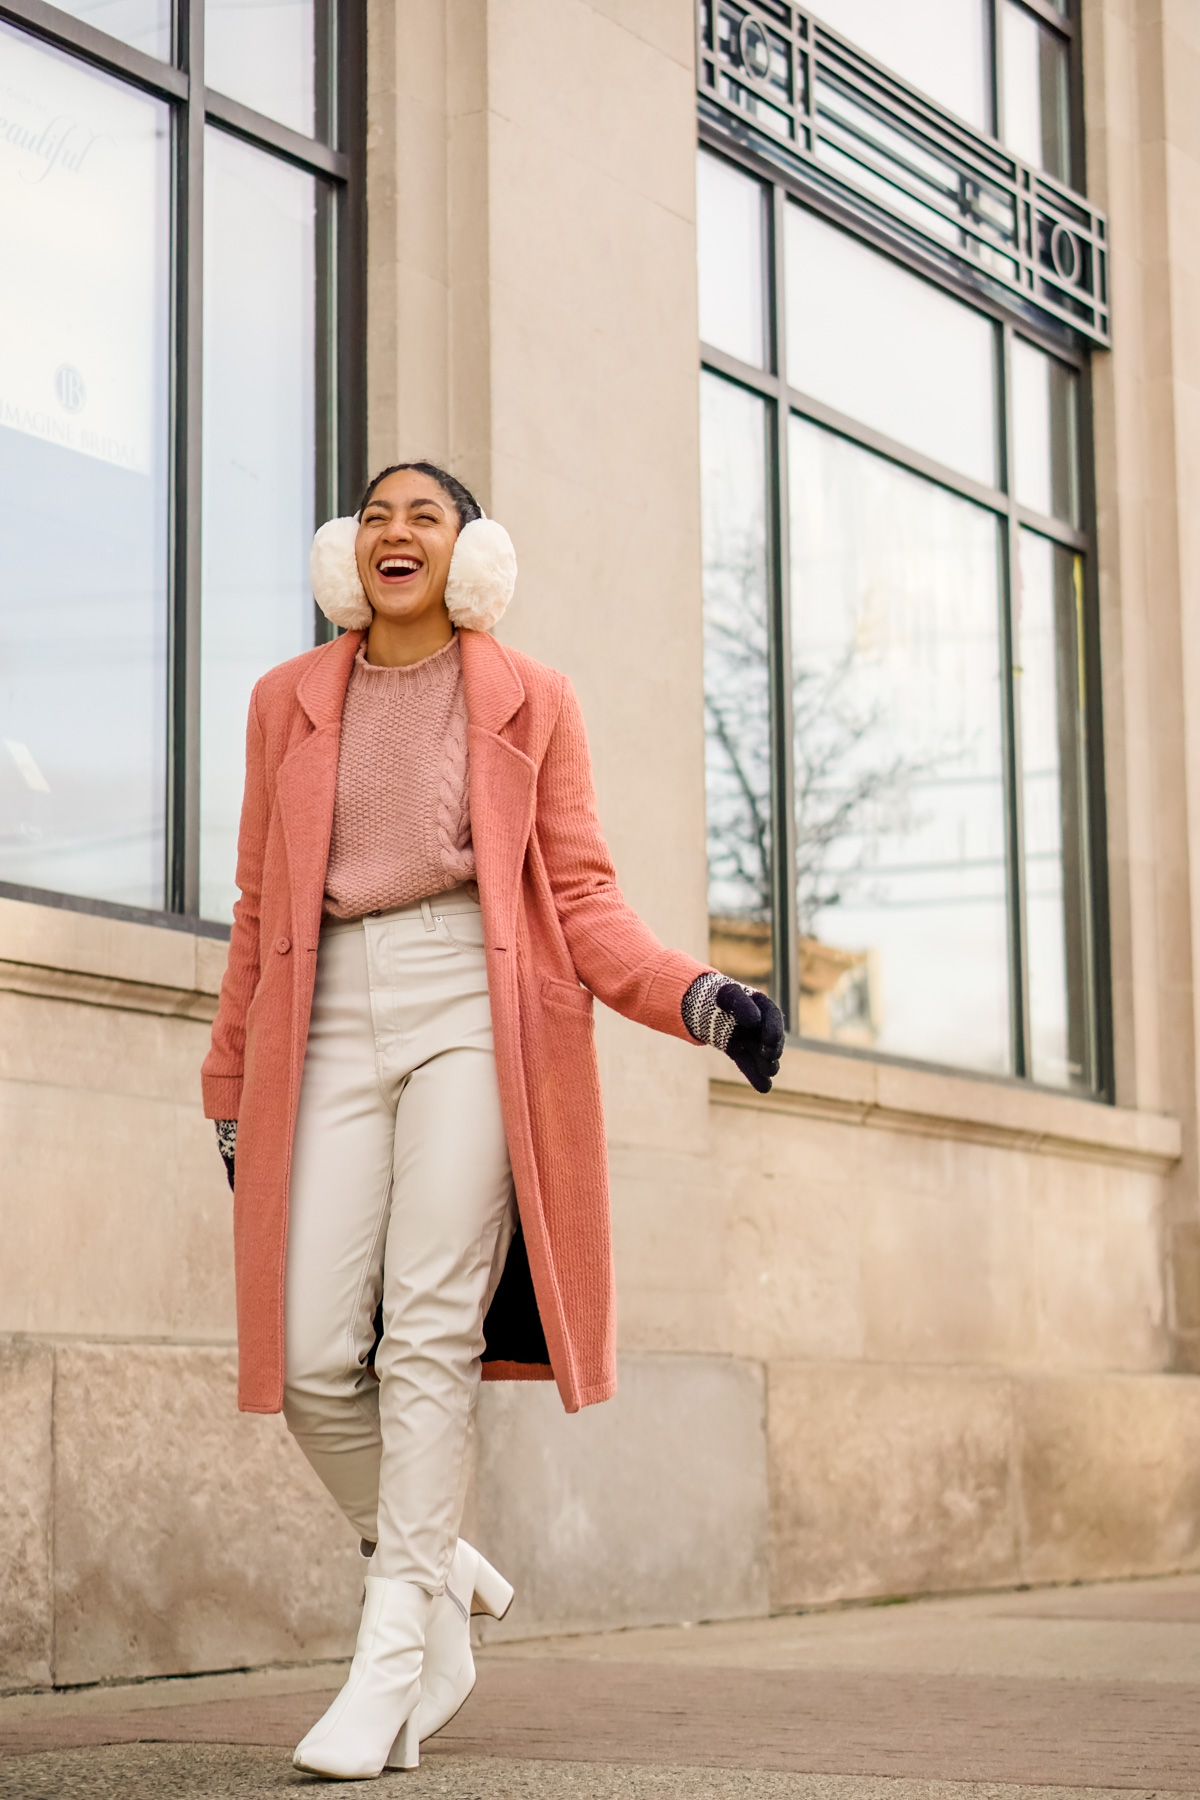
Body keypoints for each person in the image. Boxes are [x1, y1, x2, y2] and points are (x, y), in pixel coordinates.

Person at [201, 461, 784, 1779]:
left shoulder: (535, 701)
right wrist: (230, 1084)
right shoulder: (283, 703)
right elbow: (254, 908)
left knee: (428, 1325)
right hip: (325, 1011)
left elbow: (581, 900)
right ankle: (438, 1579)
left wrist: (699, 999)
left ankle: (392, 1654)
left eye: (430, 515)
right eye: (378, 514)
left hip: (475, 1002)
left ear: (474, 559)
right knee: (305, 1356)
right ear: (345, 552)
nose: (398, 531)